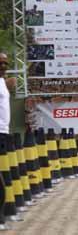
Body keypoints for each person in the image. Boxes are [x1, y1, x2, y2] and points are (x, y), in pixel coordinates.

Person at [0, 51, 14, 230]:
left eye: (5, 63)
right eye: (0, 63)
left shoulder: (3, 82)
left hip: (3, 133)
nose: (3, 66)